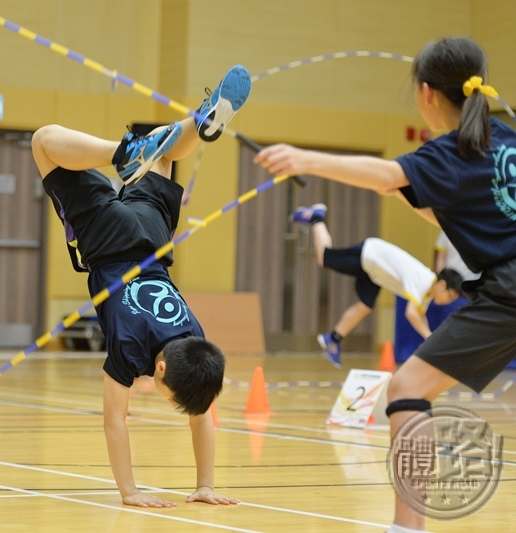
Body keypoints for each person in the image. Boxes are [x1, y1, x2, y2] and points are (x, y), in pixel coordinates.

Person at [255, 37, 516, 533]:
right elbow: (427, 201)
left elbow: (385, 175)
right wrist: (401, 186)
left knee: (408, 388)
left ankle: (406, 528)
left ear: (426, 94)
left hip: (510, 288)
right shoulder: (504, 139)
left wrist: (306, 159)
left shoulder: (453, 150)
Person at [32, 65, 250, 508]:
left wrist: (206, 484)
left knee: (166, 155)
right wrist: (129, 493)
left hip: (154, 240)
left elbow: (201, 410)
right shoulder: (131, 351)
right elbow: (115, 420)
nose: (175, 406)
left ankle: (195, 123)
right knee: (42, 141)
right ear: (163, 372)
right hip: (107, 242)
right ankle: (124, 151)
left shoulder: (194, 338)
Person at [290, 203, 463, 367]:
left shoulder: (428, 293)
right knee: (323, 258)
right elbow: (411, 314)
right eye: (451, 296)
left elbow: (420, 315)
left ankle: (333, 338)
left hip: (374, 273)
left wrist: (429, 337)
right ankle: (316, 218)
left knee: (365, 305)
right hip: (370, 255)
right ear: (442, 285)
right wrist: (429, 337)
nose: (449, 301)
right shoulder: (424, 280)